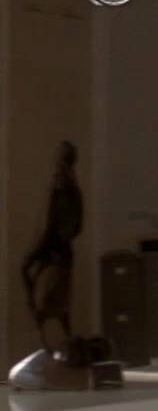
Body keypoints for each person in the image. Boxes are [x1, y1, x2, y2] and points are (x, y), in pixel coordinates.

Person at [22, 141, 83, 349]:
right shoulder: (75, 189)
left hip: (52, 247)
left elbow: (49, 224)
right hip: (63, 249)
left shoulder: (59, 187)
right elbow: (77, 226)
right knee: (62, 307)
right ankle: (63, 338)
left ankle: (37, 321)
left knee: (25, 268)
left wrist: (38, 248)